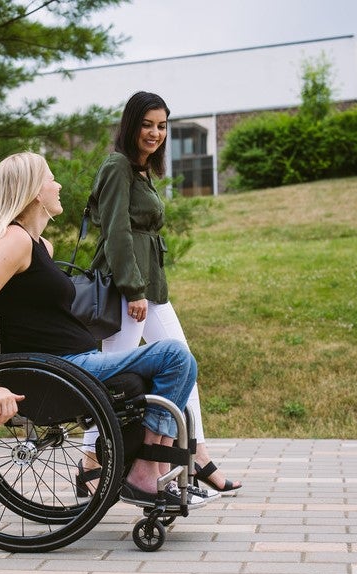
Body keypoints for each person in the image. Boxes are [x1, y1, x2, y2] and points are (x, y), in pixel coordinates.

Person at [0, 151, 206, 508]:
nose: (58, 185)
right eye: (50, 178)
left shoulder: (39, 244)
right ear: (34, 192)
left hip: (74, 362)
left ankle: (150, 466)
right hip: (59, 369)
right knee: (176, 356)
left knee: (177, 363)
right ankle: (146, 471)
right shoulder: (16, 241)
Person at [83, 90, 242, 495]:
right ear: (131, 124)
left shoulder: (140, 170)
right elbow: (116, 232)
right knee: (111, 380)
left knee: (184, 364)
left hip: (151, 288)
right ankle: (89, 460)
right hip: (127, 291)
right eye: (148, 124)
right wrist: (134, 290)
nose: (155, 133)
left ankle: (197, 452)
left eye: (162, 126)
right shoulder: (117, 166)